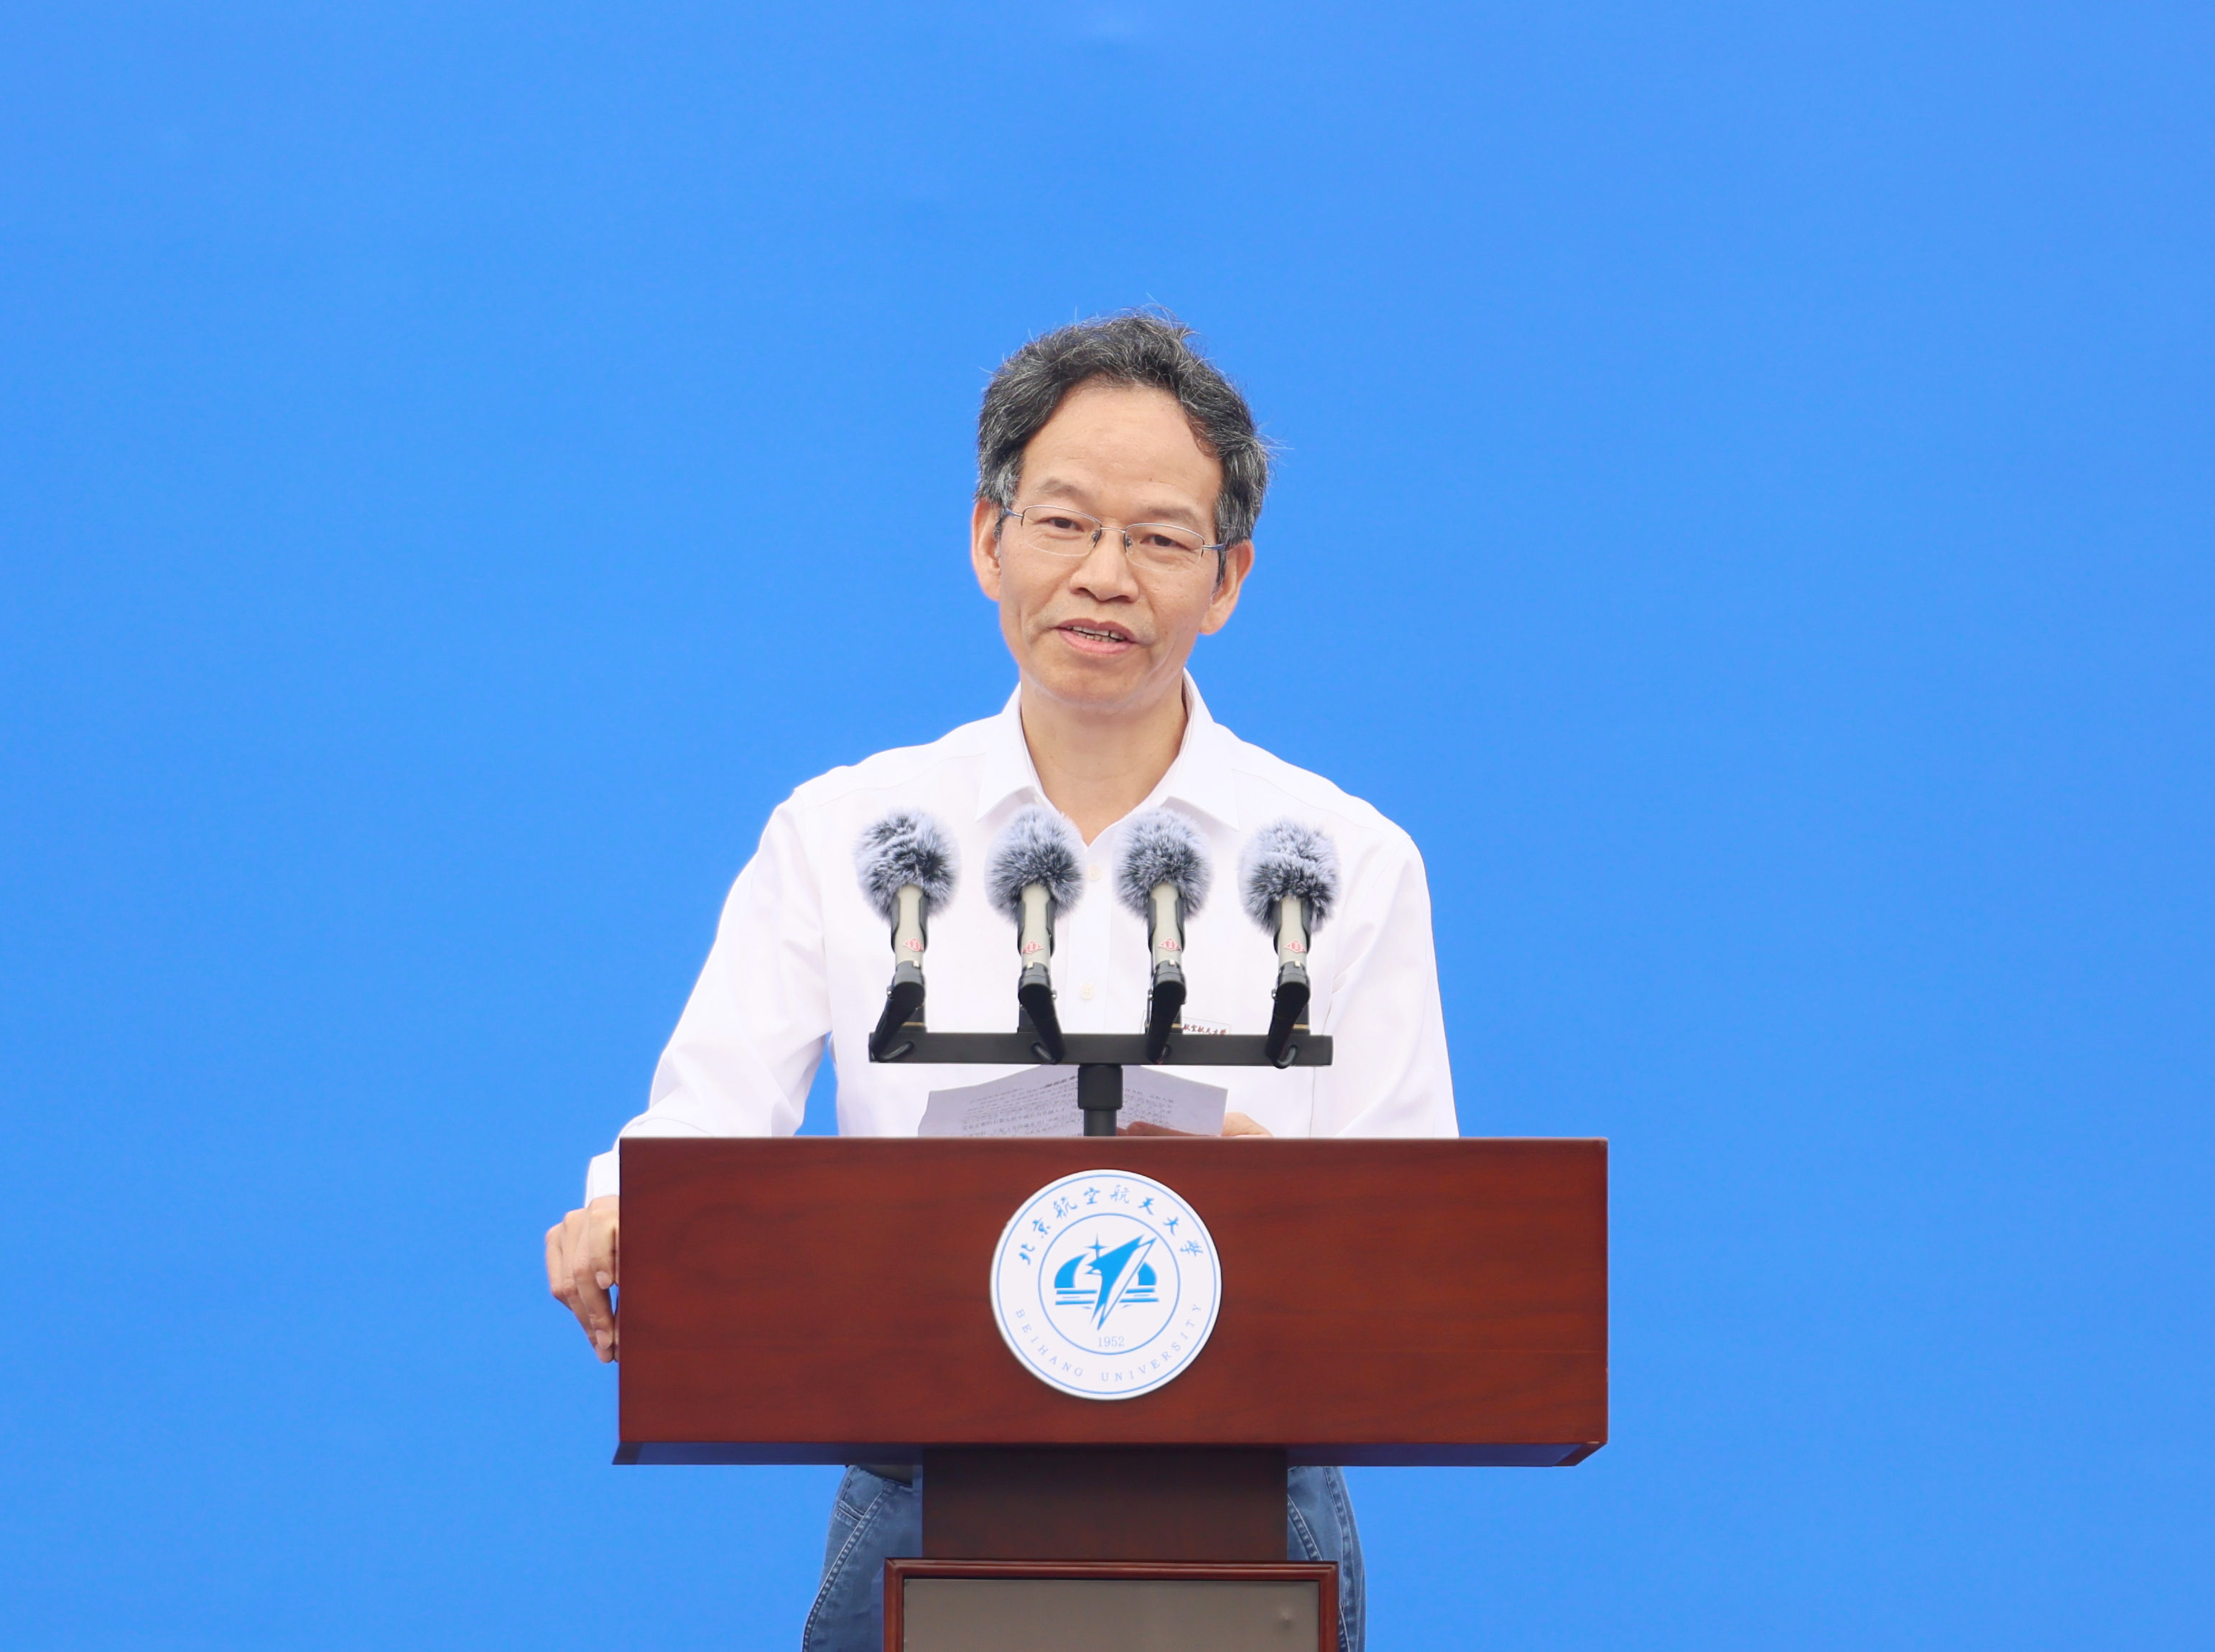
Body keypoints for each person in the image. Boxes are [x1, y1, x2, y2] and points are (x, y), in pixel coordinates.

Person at [545, 311, 1457, 1652]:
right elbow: (702, 1122)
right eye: (1064, 523)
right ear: (988, 539)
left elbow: (1423, 1231)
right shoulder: (846, 833)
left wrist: (1287, 1206)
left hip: (1245, 1490)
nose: (1105, 576)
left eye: (1160, 539)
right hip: (929, 1478)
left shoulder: (1347, 858)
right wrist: (626, 1207)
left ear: (1229, 580)